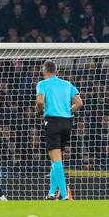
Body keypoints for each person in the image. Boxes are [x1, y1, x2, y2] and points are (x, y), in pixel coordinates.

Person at [36, 60, 83, 200]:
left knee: (56, 159)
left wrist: (40, 111)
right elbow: (79, 103)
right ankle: (51, 192)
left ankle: (63, 194)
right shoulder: (67, 84)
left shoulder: (42, 84)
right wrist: (69, 111)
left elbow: (40, 101)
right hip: (67, 122)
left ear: (44, 71)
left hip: (52, 121)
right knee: (56, 159)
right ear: (57, 71)